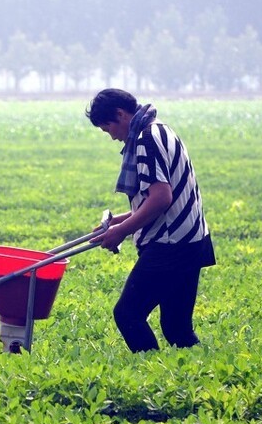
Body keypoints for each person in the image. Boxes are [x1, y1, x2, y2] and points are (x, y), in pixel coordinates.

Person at [86, 88, 215, 352]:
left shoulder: (146, 140)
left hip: (170, 245)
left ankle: (150, 374)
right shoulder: (161, 129)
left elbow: (160, 199)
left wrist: (121, 231)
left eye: (107, 128)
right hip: (191, 241)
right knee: (177, 328)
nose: (111, 137)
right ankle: (196, 379)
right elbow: (158, 199)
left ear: (121, 115)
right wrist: (117, 223)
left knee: (128, 314)